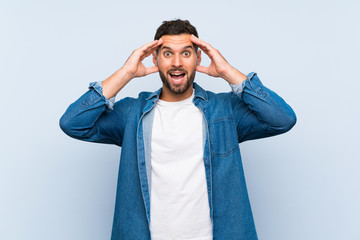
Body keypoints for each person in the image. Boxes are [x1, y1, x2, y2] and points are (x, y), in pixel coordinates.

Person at [60, 19, 296, 240]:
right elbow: (73, 123)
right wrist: (126, 73)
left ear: (198, 58)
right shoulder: (132, 113)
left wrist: (228, 72)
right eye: (167, 54)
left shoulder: (224, 110)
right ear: (155, 60)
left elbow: (282, 119)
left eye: (186, 53)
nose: (176, 62)